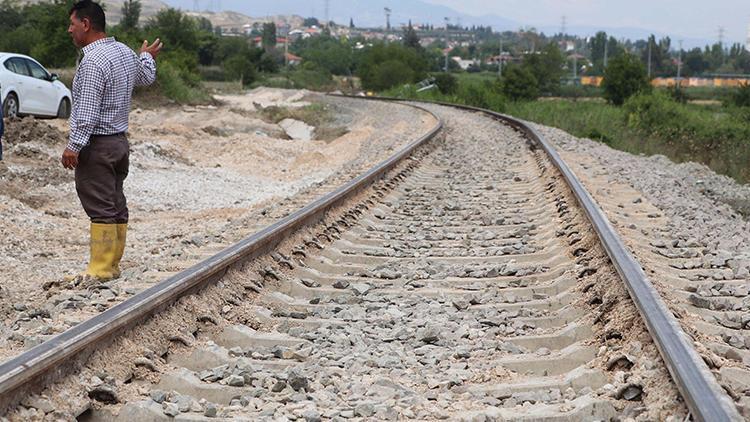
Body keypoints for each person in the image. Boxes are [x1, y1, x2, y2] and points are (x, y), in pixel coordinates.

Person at [62, 0, 162, 281]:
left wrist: (74, 145)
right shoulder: (122, 52)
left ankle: (102, 269)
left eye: (72, 24)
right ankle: (113, 264)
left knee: (101, 206)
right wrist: (146, 56)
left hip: (98, 145)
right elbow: (145, 76)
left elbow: (88, 110)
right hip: (119, 143)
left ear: (86, 24)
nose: (69, 30)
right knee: (116, 203)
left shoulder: (92, 61)